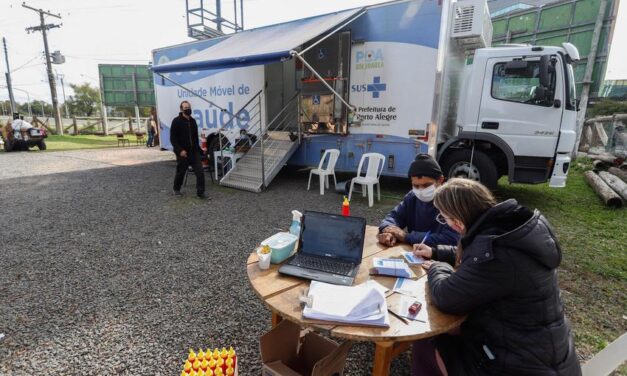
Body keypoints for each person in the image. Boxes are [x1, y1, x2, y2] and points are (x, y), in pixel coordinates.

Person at [411, 178, 581, 376]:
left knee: (426, 341)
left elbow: (446, 297)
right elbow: (477, 256)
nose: (445, 222)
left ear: (456, 222)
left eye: (443, 217)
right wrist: (436, 251)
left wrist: (436, 268)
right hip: (543, 351)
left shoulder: (496, 255)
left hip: (517, 364)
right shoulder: (507, 231)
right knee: (455, 329)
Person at [377, 154, 458, 248]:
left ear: (440, 180)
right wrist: (388, 231)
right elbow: (393, 217)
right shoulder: (412, 197)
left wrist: (408, 237)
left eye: (426, 185)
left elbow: (451, 239)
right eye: (416, 186)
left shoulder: (452, 202)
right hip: (415, 253)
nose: (420, 191)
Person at [170, 101, 208, 199]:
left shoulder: (193, 121)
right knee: (181, 172)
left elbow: (195, 138)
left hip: (193, 152)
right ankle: (176, 189)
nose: (188, 109)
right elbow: (173, 139)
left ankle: (201, 193)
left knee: (200, 172)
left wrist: (200, 151)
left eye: (189, 107)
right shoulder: (176, 121)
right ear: (181, 109)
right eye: (185, 107)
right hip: (183, 153)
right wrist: (180, 150)